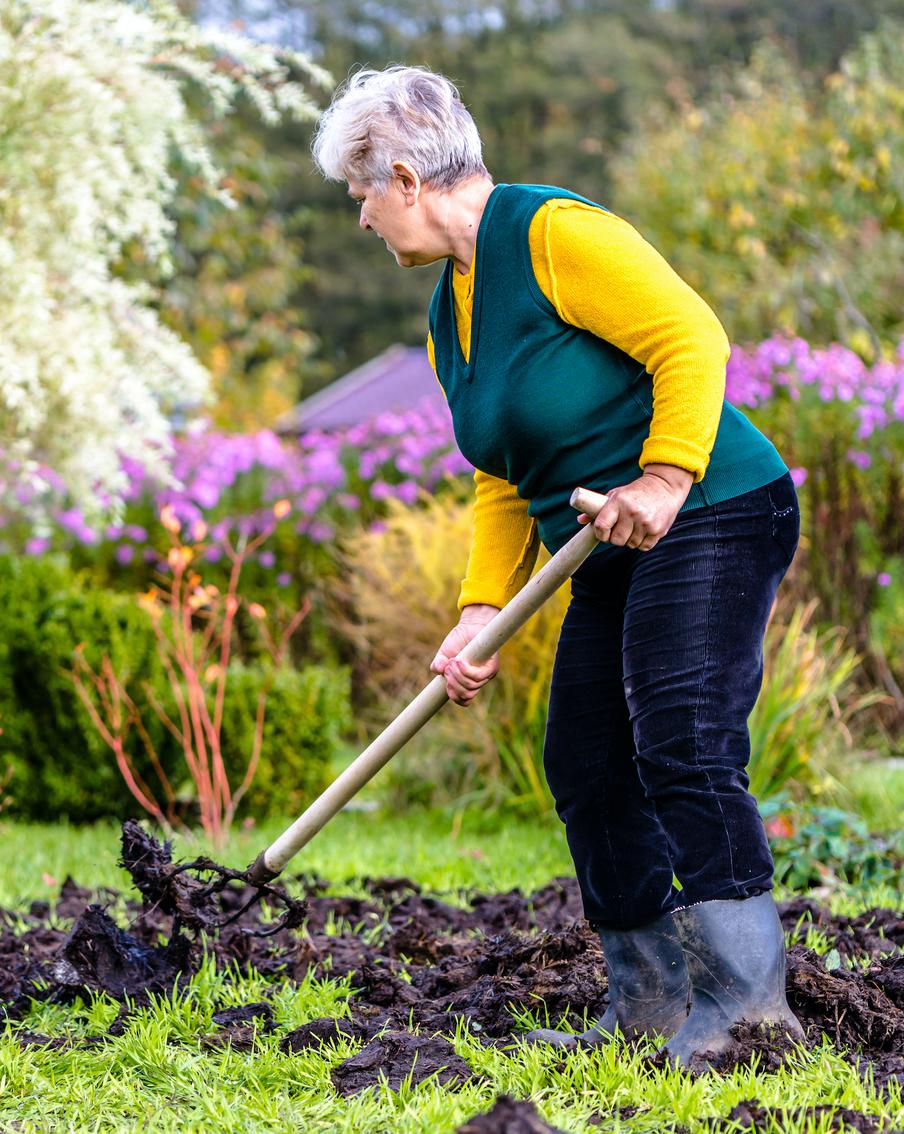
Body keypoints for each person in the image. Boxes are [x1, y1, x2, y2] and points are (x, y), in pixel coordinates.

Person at [312, 65, 805, 1064]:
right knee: (584, 760)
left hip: (709, 507)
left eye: (359, 192)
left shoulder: (549, 236)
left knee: (680, 738)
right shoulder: (453, 305)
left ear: (404, 176)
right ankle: (649, 1004)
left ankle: (750, 1009)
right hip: (610, 534)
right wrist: (477, 610)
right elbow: (509, 471)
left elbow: (691, 339)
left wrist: (665, 475)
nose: (361, 219)